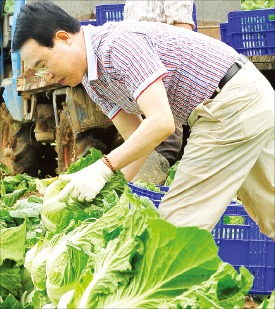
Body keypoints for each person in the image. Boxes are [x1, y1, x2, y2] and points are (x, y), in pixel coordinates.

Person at [12, 2, 275, 239]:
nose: (47, 76)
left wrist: (102, 168)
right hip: (244, 100)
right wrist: (109, 190)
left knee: (176, 222)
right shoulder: (92, 81)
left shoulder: (117, 46)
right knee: (270, 208)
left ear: (62, 39)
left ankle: (163, 292)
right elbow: (138, 141)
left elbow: (161, 123)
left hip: (231, 101)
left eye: (44, 64)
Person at [124, 0, 195, 167]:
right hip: (138, 75)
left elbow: (183, 31)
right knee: (143, 137)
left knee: (165, 141)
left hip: (161, 72)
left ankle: (153, 187)